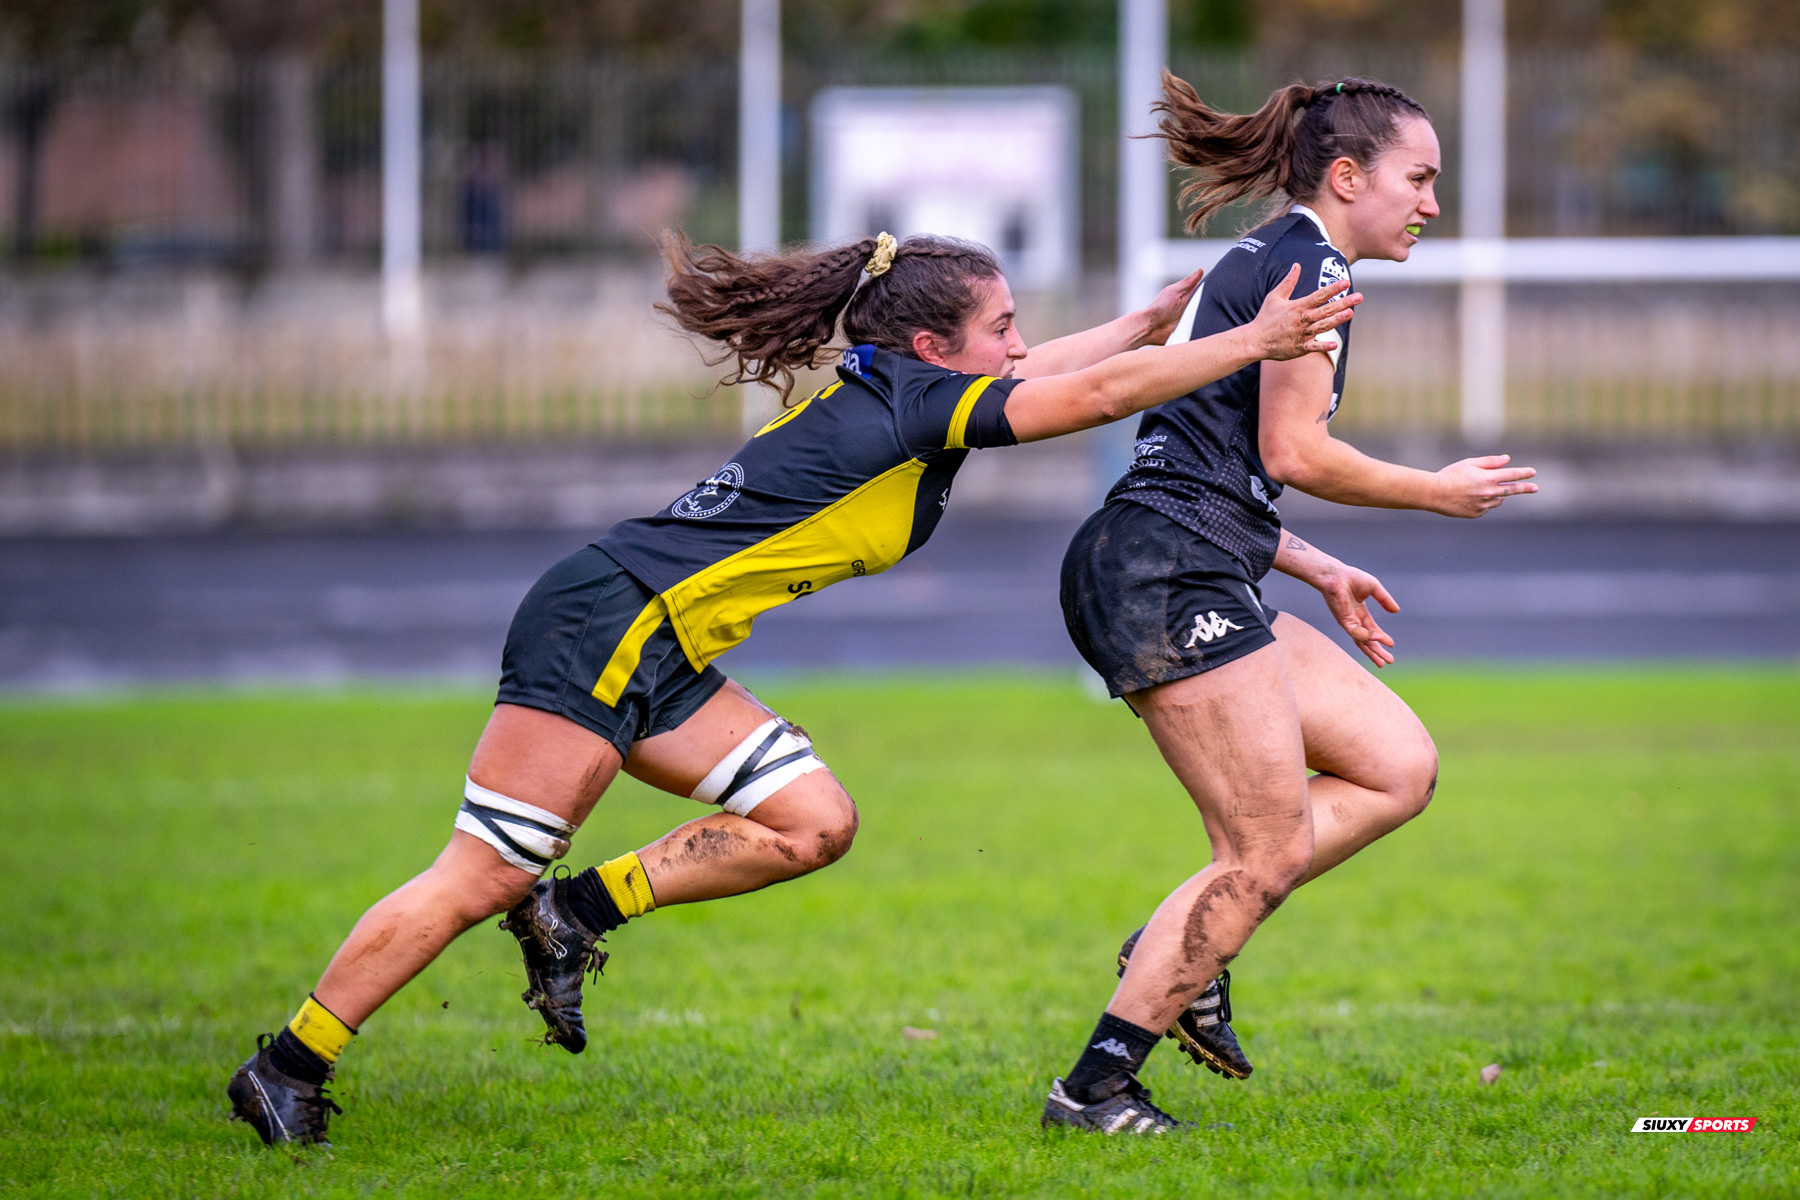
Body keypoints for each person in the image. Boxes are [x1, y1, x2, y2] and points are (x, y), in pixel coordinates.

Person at [225, 229, 1361, 1146]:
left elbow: (1057, 370)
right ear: (934, 345)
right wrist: (1251, 340)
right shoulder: (924, 405)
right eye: (1002, 325)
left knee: (812, 823)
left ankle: (574, 914)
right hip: (606, 626)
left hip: (660, 642)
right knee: (480, 873)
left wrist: (1148, 324)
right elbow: (1095, 396)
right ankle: (288, 1065)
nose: (1020, 343)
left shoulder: (906, 384)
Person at [1041, 74, 1539, 1135]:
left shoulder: (1280, 254)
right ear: (1348, 176)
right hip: (1163, 570)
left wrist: (1314, 564)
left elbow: (1214, 462)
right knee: (1263, 853)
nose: (1432, 204)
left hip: (1190, 556)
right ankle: (1096, 1089)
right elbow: (1292, 452)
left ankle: (1182, 939)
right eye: (1420, 178)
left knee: (1397, 766)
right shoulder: (1311, 265)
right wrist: (1435, 491)